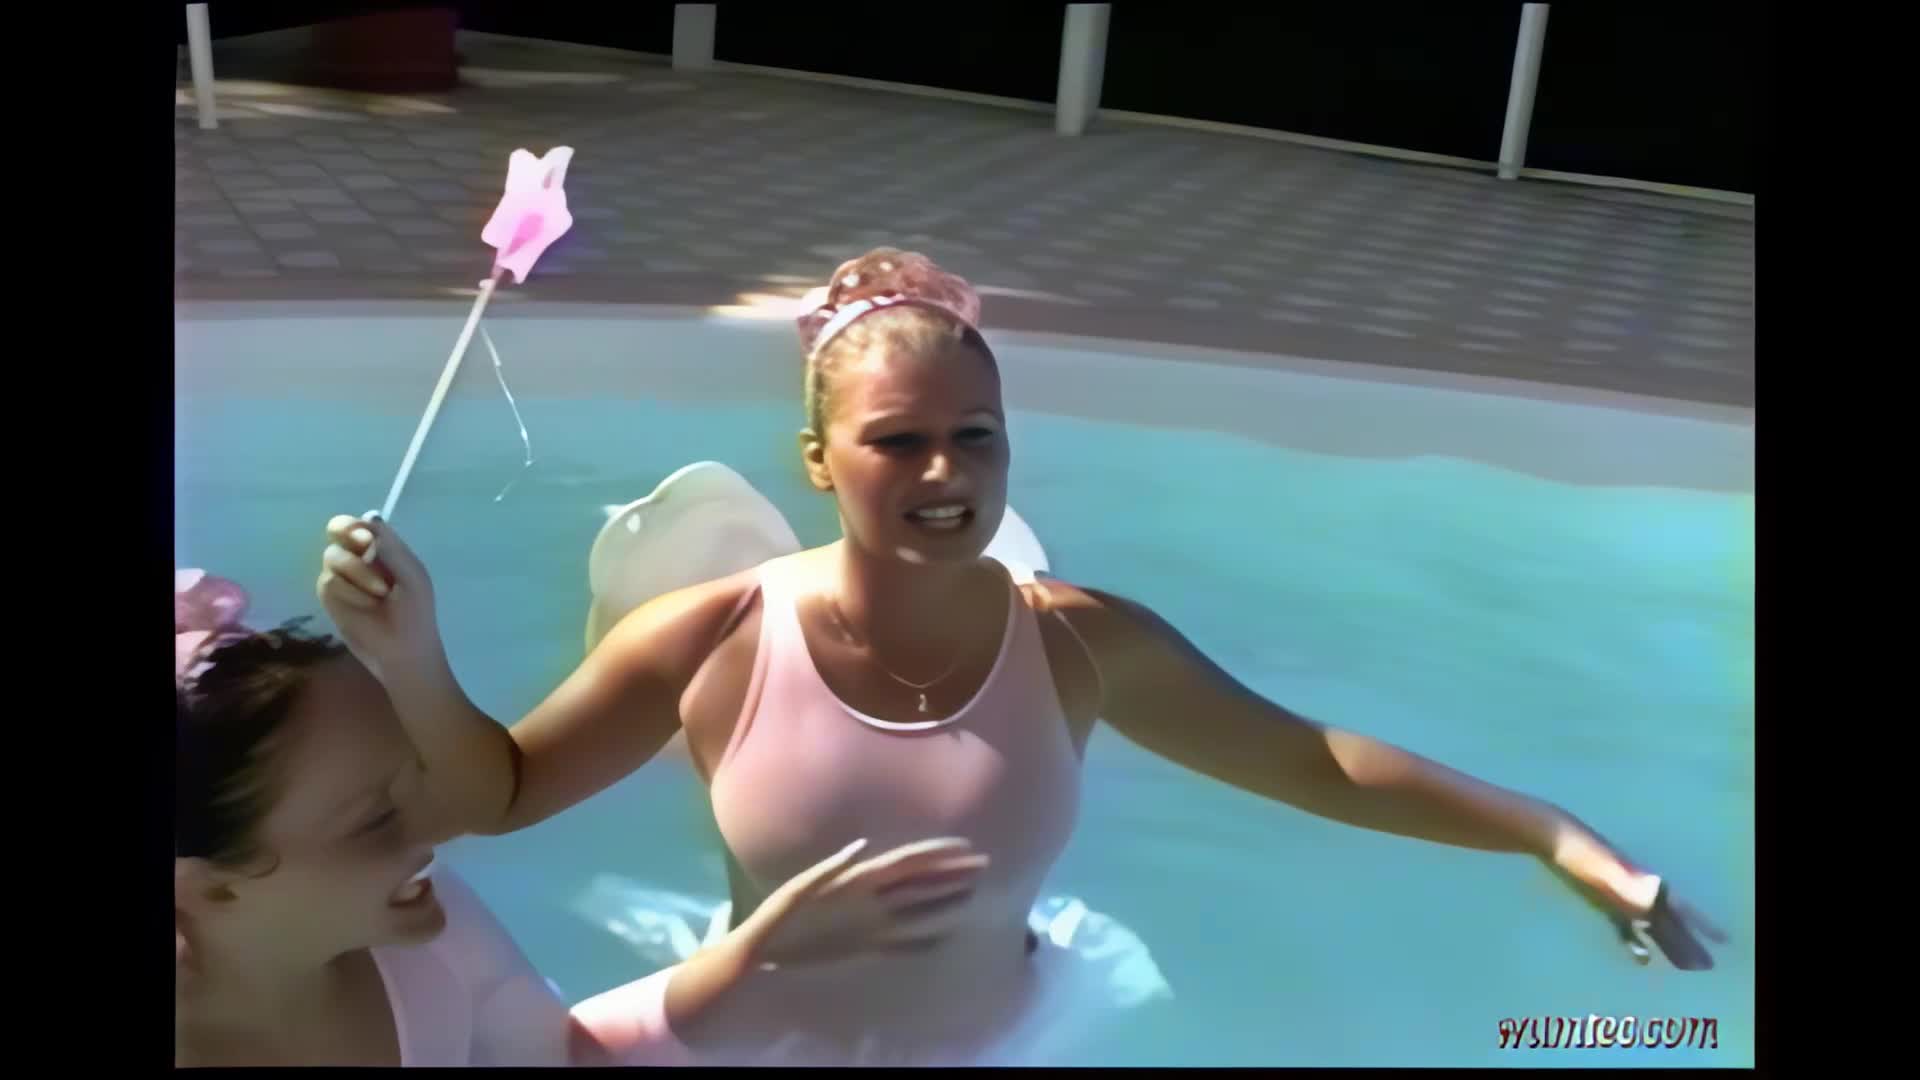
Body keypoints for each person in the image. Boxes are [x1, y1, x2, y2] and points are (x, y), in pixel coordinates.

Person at [314, 248, 1726, 1064]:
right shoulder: (717, 637)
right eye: (898, 441)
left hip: (996, 1038)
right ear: (817, 460)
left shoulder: (1075, 644)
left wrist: (1557, 835)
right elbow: (498, 794)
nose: (945, 473)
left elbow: (1314, 763)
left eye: (974, 438)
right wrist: (413, 655)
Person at [174, 568, 989, 1067]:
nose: (437, 826)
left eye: (415, 776)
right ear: (209, 887)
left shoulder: (426, 934)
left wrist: (758, 960)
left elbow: (562, 1058)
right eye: (373, 821)